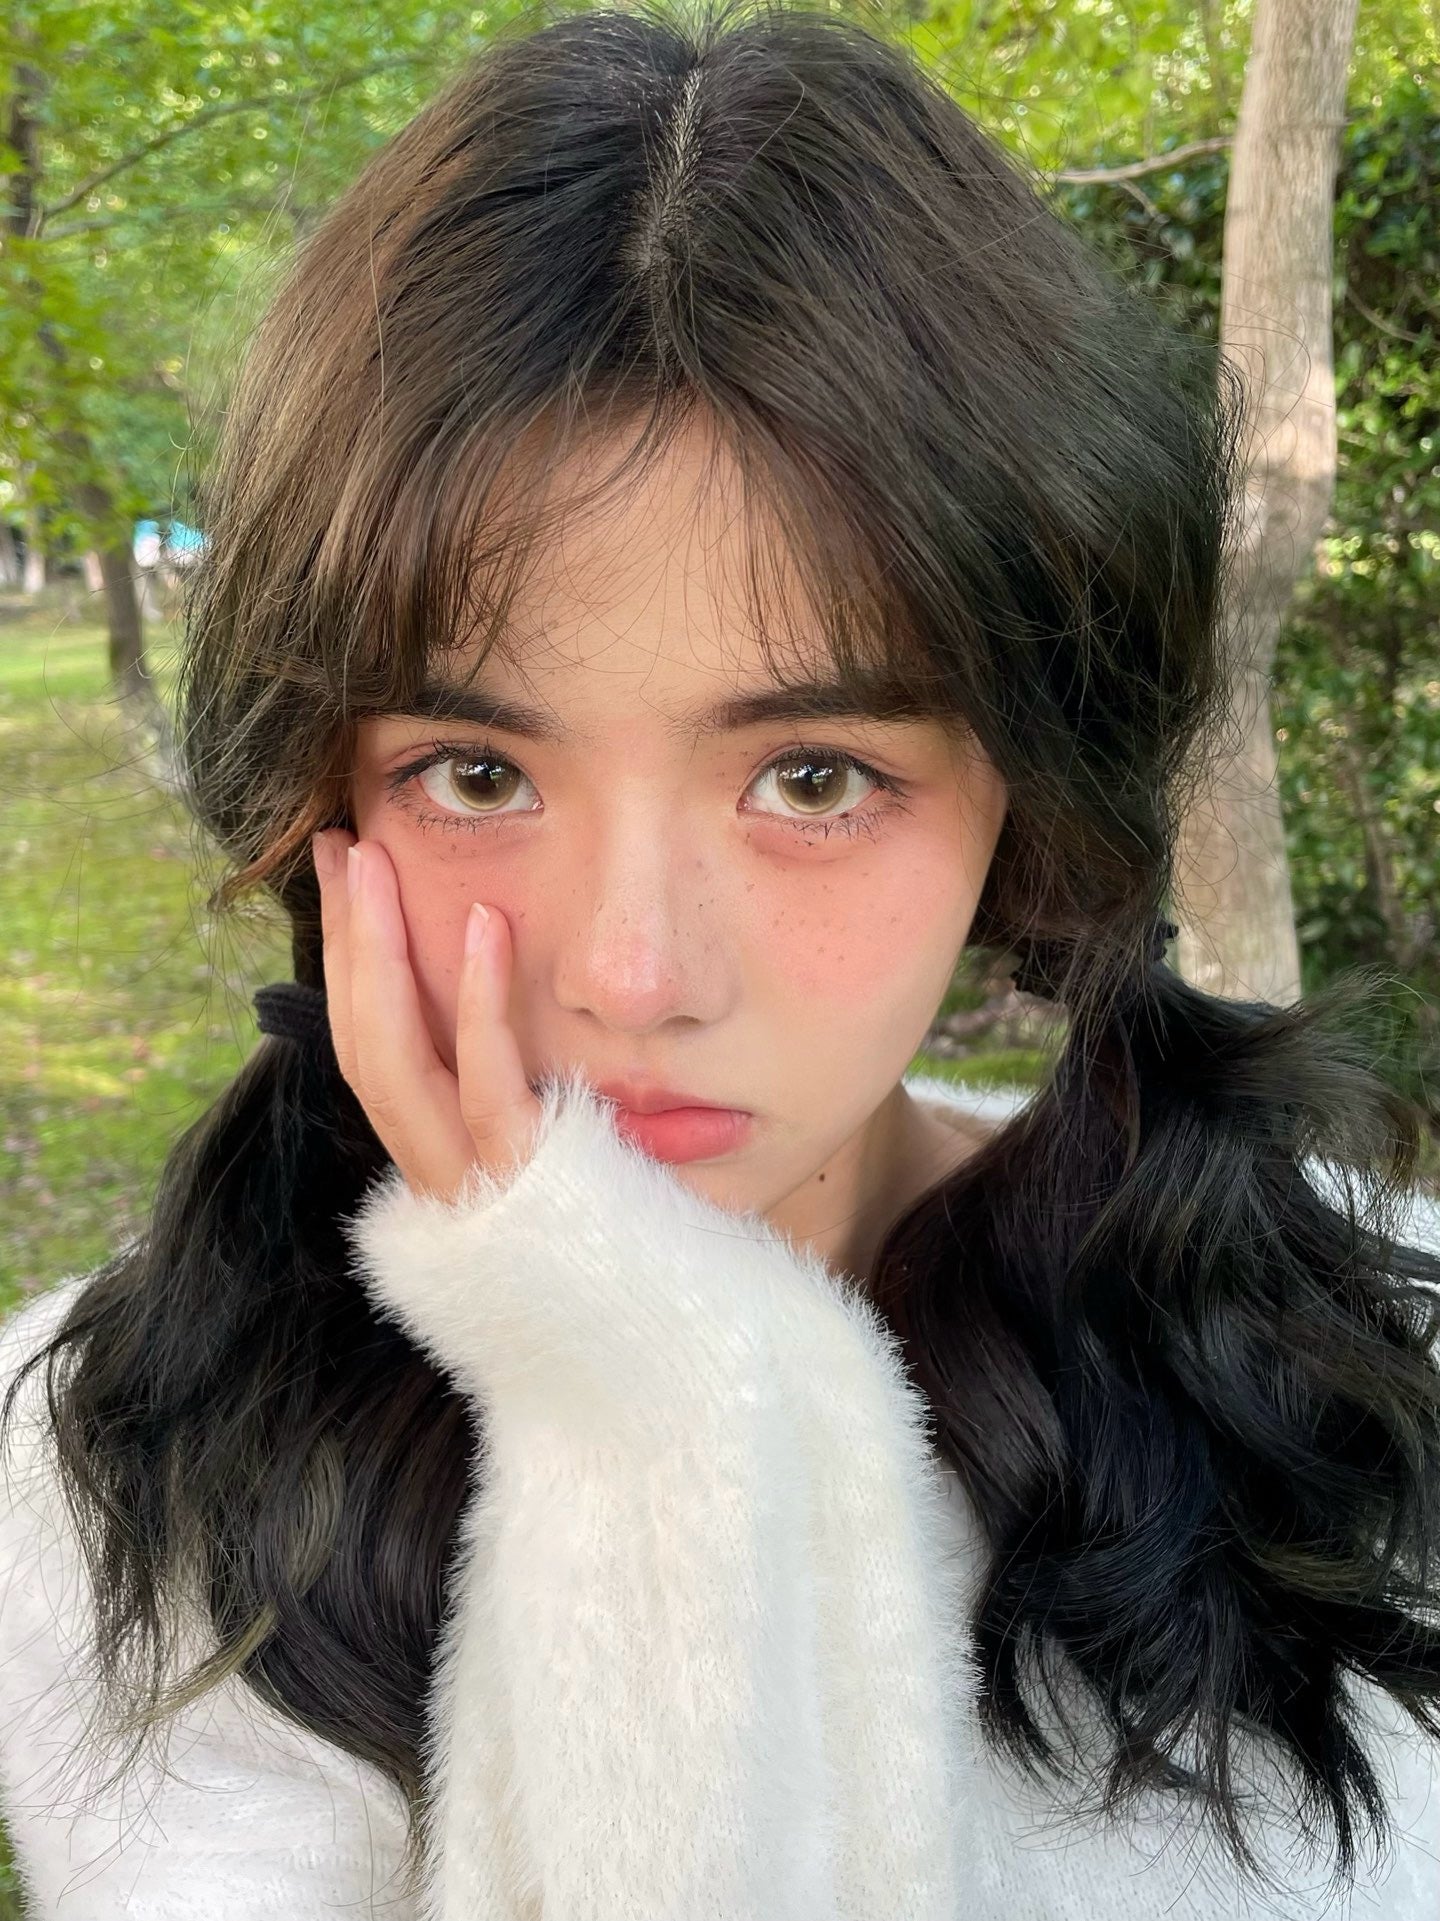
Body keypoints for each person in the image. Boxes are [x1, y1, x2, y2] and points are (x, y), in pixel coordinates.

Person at [3, 2, 1439, 1915]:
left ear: (1025, 794)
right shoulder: (101, 1476)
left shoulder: (1372, 1376)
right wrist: (643, 1405)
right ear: (320, 801)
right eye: (478, 772)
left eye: (813, 775)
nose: (632, 971)